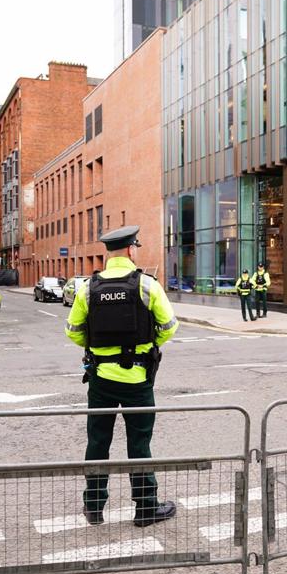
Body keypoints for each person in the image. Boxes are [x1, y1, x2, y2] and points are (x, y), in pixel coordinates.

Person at [65, 225, 179, 528]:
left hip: (101, 379)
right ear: (131, 250)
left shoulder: (88, 288)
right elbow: (169, 327)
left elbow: (74, 331)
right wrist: (145, 344)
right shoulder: (147, 285)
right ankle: (145, 509)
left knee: (97, 442)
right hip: (138, 380)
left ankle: (94, 507)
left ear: (108, 253)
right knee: (139, 445)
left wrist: (101, 349)